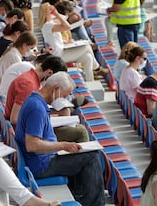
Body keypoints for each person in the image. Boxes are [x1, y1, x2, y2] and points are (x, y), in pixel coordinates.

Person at [15, 71, 105, 205]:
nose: (64, 100)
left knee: (84, 155)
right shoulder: (36, 108)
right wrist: (63, 145)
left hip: (43, 159)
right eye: (64, 96)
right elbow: (32, 145)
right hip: (41, 164)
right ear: (55, 89)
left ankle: (81, 197)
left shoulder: (36, 101)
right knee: (91, 157)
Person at [38, 2, 107, 81]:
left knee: (88, 58)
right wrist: (56, 14)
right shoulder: (48, 25)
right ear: (47, 13)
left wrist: (65, 42)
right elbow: (67, 26)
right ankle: (97, 68)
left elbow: (54, 39)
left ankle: (90, 82)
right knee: (87, 47)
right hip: (59, 55)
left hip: (60, 51)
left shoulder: (48, 25)